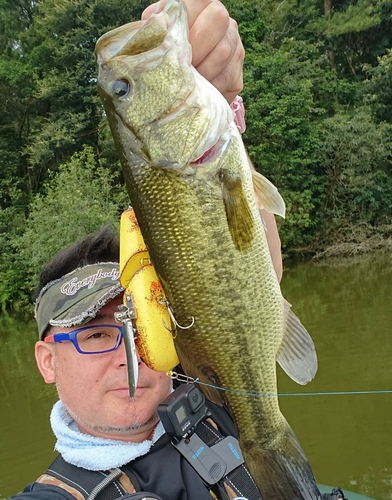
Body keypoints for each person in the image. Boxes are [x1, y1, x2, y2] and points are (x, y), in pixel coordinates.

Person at [9, 1, 288, 499]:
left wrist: (222, 96)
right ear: (47, 361)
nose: (127, 358)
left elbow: (251, 269)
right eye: (94, 335)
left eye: (136, 324)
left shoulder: (210, 393)